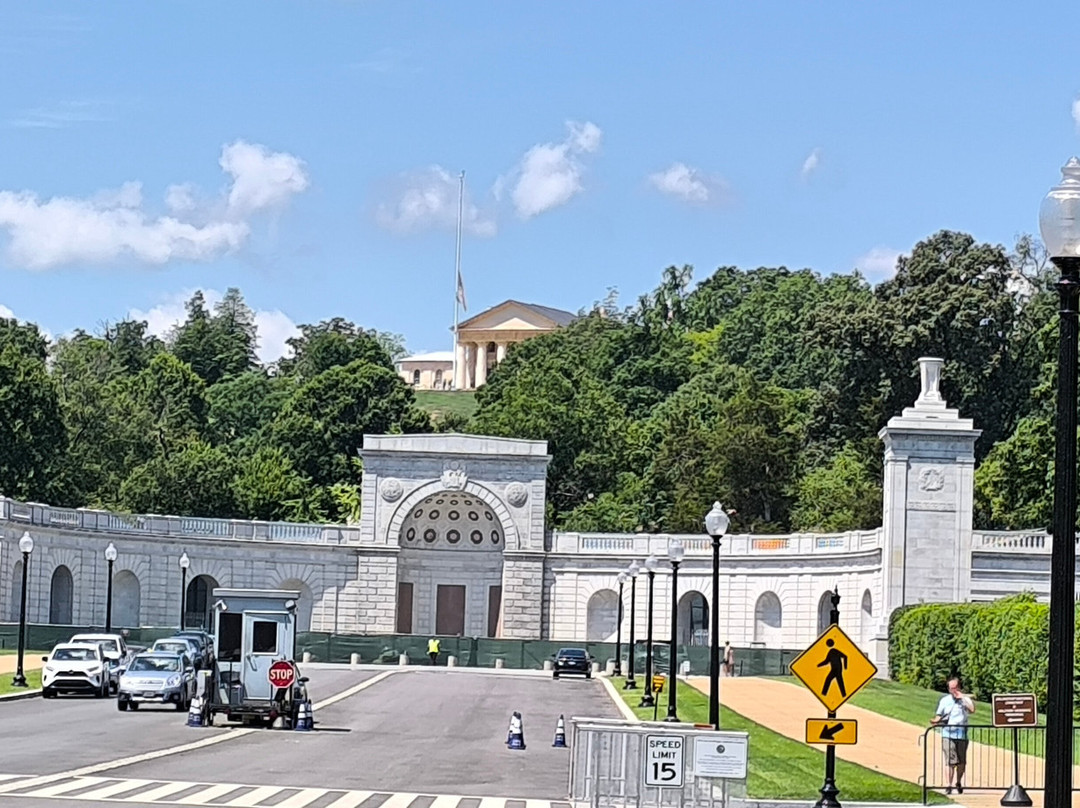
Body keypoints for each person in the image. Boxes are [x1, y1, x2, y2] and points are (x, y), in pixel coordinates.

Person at [930, 677, 975, 794]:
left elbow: (972, 710)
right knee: (950, 761)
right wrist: (935, 721)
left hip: (962, 735)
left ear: (959, 687)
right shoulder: (944, 700)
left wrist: (963, 698)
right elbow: (939, 715)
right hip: (948, 734)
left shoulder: (965, 699)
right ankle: (948, 785)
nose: (953, 691)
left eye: (955, 688)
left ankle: (958, 782)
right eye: (951, 689)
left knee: (961, 762)